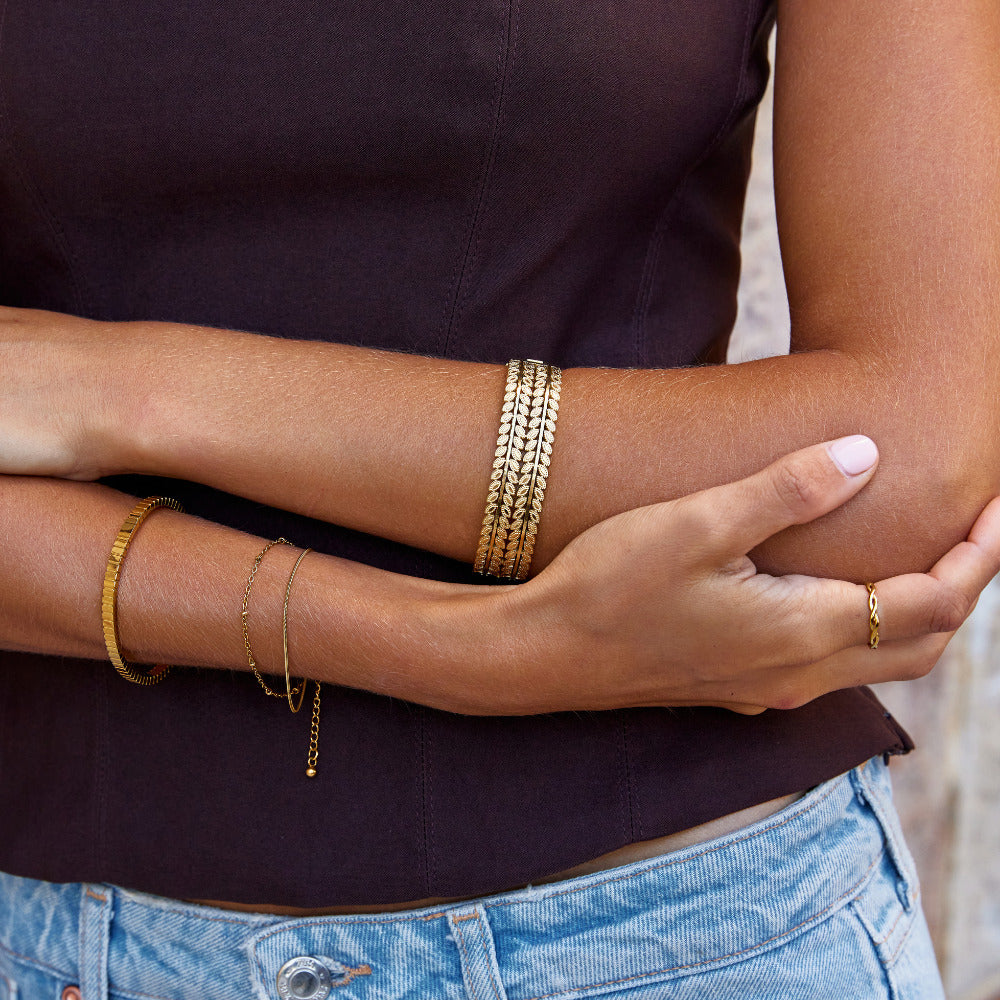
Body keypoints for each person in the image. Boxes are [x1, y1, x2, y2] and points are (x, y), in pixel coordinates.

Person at [1, 0, 998, 996]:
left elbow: (898, 468)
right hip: (59, 949)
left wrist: (132, 390)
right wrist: (451, 646)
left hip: (687, 936)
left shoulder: (113, 390)